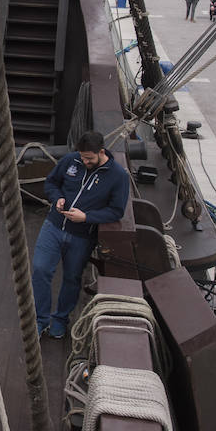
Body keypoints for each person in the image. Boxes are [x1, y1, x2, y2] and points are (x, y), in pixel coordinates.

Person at [31, 131, 131, 339]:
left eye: (89, 159)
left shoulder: (118, 176)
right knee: (40, 269)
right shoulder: (71, 160)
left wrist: (86, 217)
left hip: (82, 236)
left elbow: (116, 210)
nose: (84, 161)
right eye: (82, 157)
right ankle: (40, 320)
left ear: (101, 152)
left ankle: (60, 319)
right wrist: (57, 197)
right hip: (54, 226)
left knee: (72, 278)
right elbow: (51, 182)